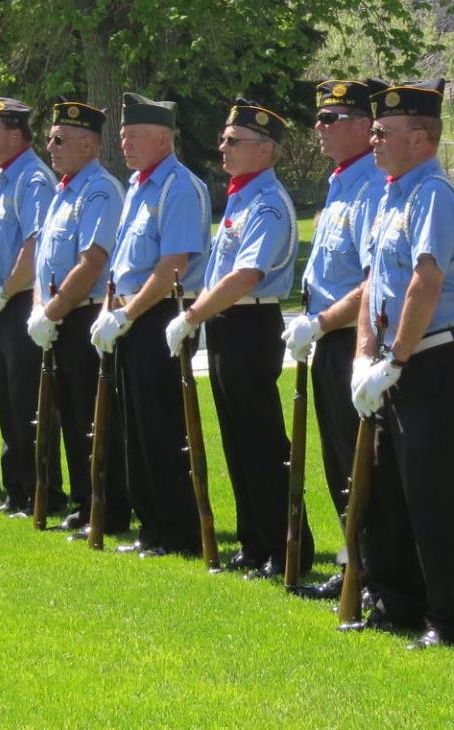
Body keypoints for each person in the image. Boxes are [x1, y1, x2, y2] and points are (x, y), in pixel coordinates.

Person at [346, 79, 454, 649]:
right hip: (394, 361)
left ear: (421, 138)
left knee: (436, 495)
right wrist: (362, 358)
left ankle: (453, 619)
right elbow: (375, 283)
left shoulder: (433, 195)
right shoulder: (390, 193)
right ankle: (398, 603)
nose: (373, 137)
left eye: (384, 130)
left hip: (434, 360)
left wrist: (396, 358)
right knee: (390, 495)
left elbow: (425, 283)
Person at [166, 98, 312, 580]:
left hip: (251, 324)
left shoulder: (267, 203)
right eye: (224, 139)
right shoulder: (242, 196)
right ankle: (254, 544)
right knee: (237, 441)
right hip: (228, 324)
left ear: (265, 150)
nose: (222, 147)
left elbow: (247, 274)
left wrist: (191, 316)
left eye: (234, 141)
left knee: (261, 443)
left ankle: (285, 548)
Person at [89, 92, 209, 558]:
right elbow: (123, 261)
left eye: (133, 136)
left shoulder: (179, 186)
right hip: (129, 316)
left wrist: (127, 313)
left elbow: (172, 267)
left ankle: (177, 530)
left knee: (160, 428)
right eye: (122, 136)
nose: (124, 144)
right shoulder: (139, 184)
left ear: (163, 138)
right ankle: (150, 527)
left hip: (158, 314)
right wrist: (109, 308)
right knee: (134, 429)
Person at [282, 79, 388, 599]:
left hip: (354, 339)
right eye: (319, 119)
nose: (319, 128)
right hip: (329, 339)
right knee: (338, 461)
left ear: (366, 126)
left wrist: (322, 323)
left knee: (363, 464)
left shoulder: (371, 185)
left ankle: (374, 572)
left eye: (331, 119)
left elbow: (372, 281)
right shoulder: (342, 181)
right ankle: (354, 564)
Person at [26, 98, 130, 535]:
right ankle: (83, 500)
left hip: (85, 315)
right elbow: (43, 260)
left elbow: (91, 261)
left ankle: (108, 506)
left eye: (59, 139)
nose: (50, 146)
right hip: (59, 317)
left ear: (88, 144)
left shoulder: (100, 190)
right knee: (69, 414)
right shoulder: (64, 189)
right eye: (50, 138)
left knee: (94, 418)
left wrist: (51, 311)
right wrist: (39, 310)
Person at [0, 95, 58, 516]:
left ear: (16, 134)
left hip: (20, 301)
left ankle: (41, 488)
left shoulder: (32, 180)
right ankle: (16, 487)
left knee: (27, 400)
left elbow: (34, 246)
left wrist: (1, 297)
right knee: (4, 396)